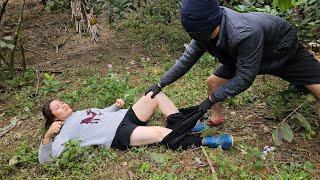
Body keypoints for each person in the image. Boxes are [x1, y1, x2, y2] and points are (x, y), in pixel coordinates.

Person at [145, 0, 320, 126]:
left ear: (206, 25)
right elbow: (186, 60)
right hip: (242, 56)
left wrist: (211, 99)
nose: (192, 36)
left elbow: (245, 77)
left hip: (281, 51)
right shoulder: (203, 32)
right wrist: (160, 83)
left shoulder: (244, 33)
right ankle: (217, 117)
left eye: (194, 32)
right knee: (213, 82)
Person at [39, 92, 233, 164]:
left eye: (61, 102)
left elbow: (102, 113)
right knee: (159, 133)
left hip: (124, 116)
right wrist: (47, 137)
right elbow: (45, 160)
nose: (63, 105)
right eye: (57, 107)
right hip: (118, 134)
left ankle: (181, 124)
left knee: (155, 95)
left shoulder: (80, 112)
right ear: (53, 117)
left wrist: (115, 106)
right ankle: (207, 142)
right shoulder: (64, 132)